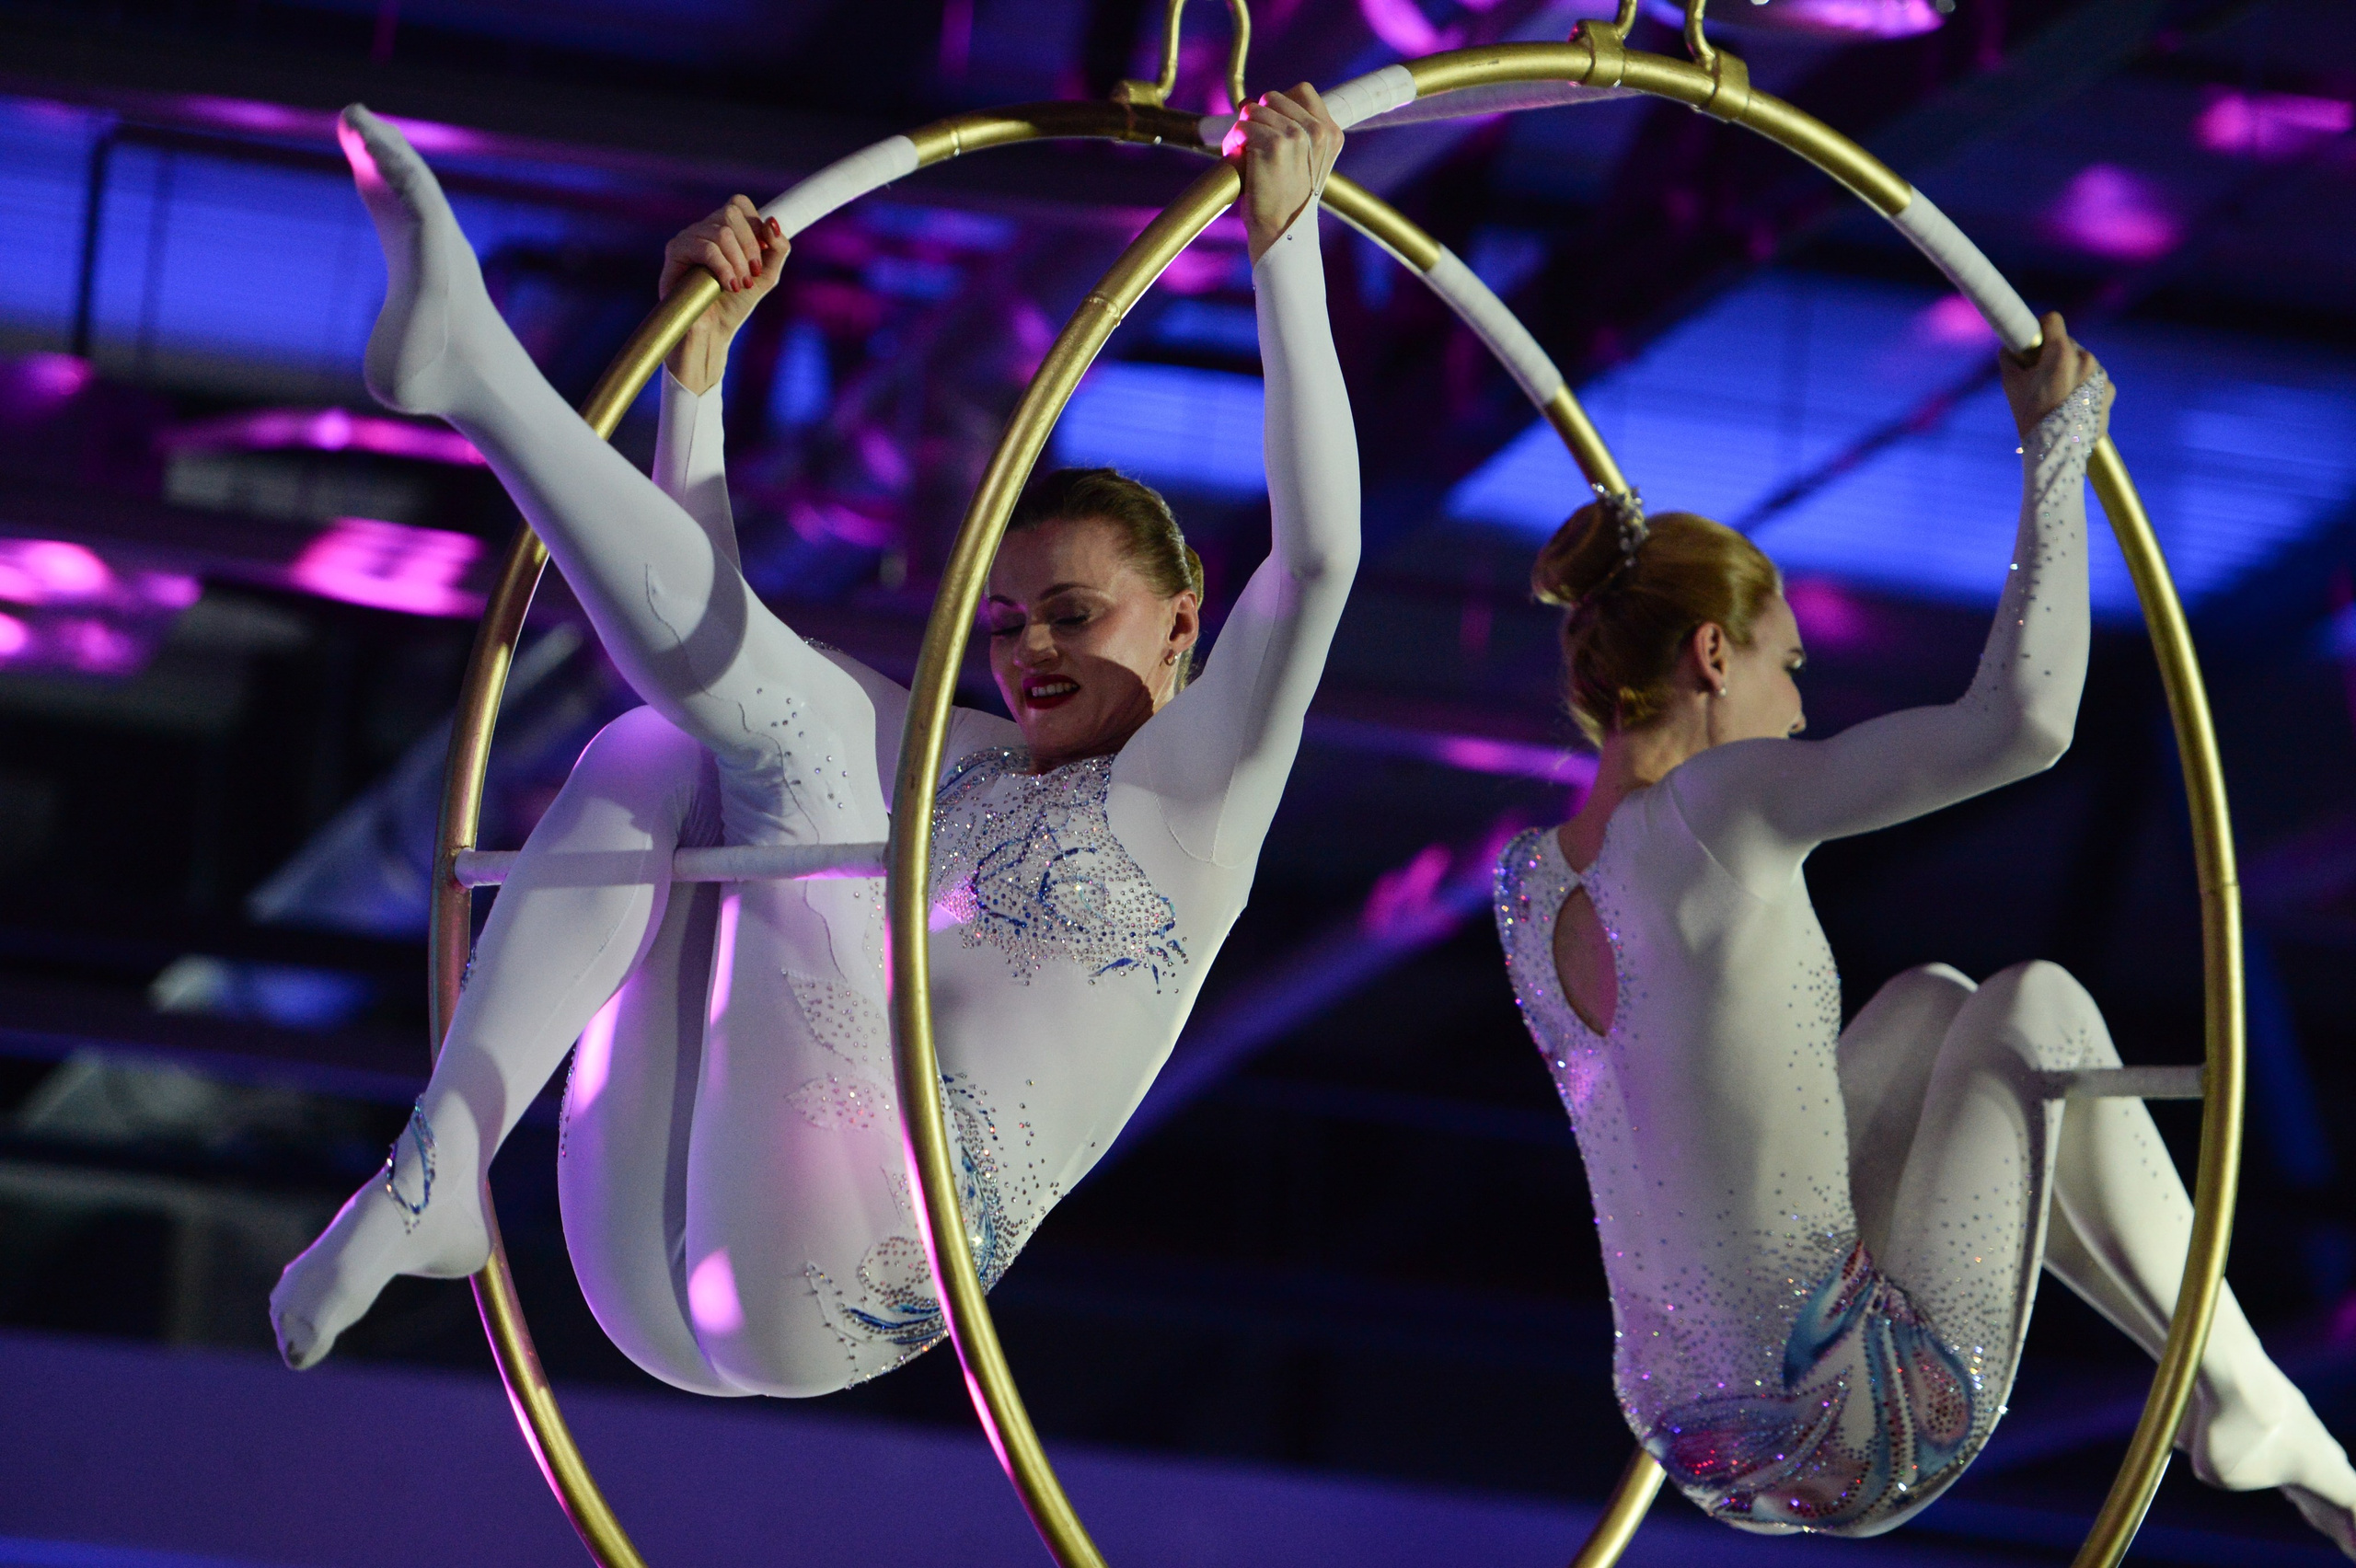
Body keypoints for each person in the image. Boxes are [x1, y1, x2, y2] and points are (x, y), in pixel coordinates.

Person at [271, 85, 1357, 1399]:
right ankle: (441, 1160)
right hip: (655, 1240)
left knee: (801, 746)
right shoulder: (961, 756)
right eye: (1008, 621)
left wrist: (1287, 247)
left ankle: (484, 383)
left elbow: (1317, 560)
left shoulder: (1203, 795)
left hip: (852, 1277)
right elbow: (714, 667)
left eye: (1073, 614)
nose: (1029, 652)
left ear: (1187, 620)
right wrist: (697, 380)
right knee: (659, 749)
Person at [1491, 322, 2356, 1551]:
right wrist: (2056, 450)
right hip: (1848, 1426)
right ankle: (2251, 1397)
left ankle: (2237, 1394)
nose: (1798, 711)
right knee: (2038, 1007)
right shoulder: (1718, 808)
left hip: (1695, 1442)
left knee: (1937, 1001)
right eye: (1790, 667)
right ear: (1713, 654)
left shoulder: (1527, 887)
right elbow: (2024, 723)